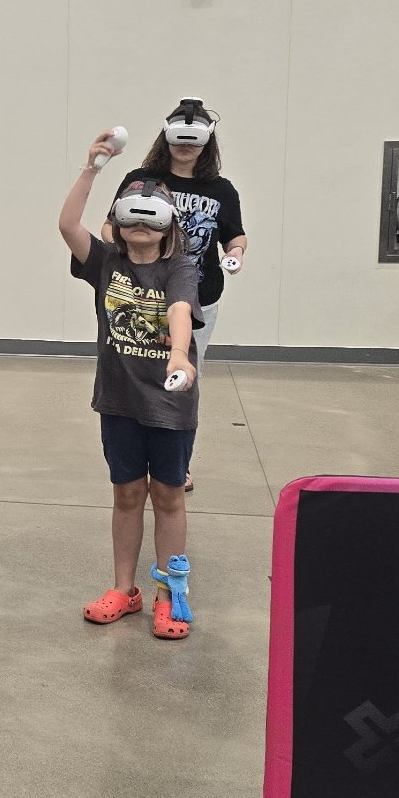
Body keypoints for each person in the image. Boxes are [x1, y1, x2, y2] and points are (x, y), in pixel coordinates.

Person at [61, 138, 201, 640]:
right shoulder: (105, 263)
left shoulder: (180, 267)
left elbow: (181, 308)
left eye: (151, 215)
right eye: (131, 215)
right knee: (125, 495)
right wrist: (91, 169)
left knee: (167, 496)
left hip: (168, 402)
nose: (140, 224)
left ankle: (168, 594)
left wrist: (180, 354)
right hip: (118, 400)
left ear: (167, 224)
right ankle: (125, 589)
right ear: (118, 221)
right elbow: (67, 226)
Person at [124, 97, 244, 491]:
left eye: (194, 140)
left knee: (182, 377)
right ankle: (134, 460)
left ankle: (176, 466)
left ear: (207, 141)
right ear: (167, 136)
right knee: (137, 375)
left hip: (200, 295)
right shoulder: (142, 180)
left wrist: (236, 253)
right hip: (145, 292)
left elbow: (234, 234)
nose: (186, 146)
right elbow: (113, 225)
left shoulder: (221, 189)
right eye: (179, 138)